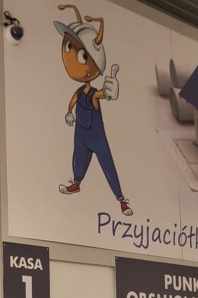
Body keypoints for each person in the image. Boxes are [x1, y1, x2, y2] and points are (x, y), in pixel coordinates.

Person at [55, 4, 132, 216]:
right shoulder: (80, 91)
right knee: (78, 161)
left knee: (108, 166)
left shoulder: (93, 94)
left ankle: (121, 200)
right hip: (81, 135)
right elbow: (72, 101)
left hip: (97, 139)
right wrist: (69, 113)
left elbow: (104, 95)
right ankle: (76, 183)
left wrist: (112, 91)